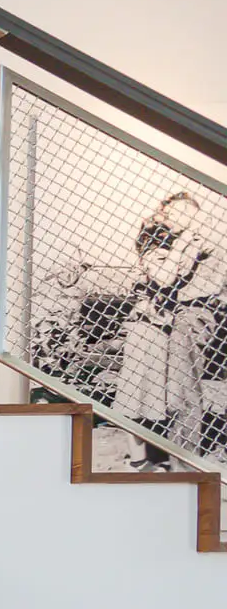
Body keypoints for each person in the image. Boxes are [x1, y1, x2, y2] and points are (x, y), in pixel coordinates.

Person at [113, 192, 223, 467]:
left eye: (181, 213)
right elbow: (166, 277)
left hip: (180, 320)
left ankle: (177, 461)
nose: (174, 218)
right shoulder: (161, 246)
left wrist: (190, 237)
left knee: (170, 393)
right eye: (171, 214)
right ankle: (149, 460)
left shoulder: (202, 238)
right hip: (151, 327)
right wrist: (185, 240)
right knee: (142, 394)